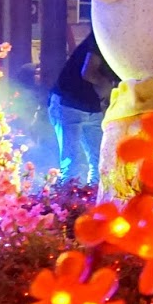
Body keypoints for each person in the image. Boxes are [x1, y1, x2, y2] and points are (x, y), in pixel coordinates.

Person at [48, 33, 117, 188]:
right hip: (69, 103)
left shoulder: (112, 38)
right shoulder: (103, 36)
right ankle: (69, 199)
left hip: (89, 105)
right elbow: (88, 72)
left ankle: (89, 197)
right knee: (73, 161)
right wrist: (107, 87)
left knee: (96, 160)